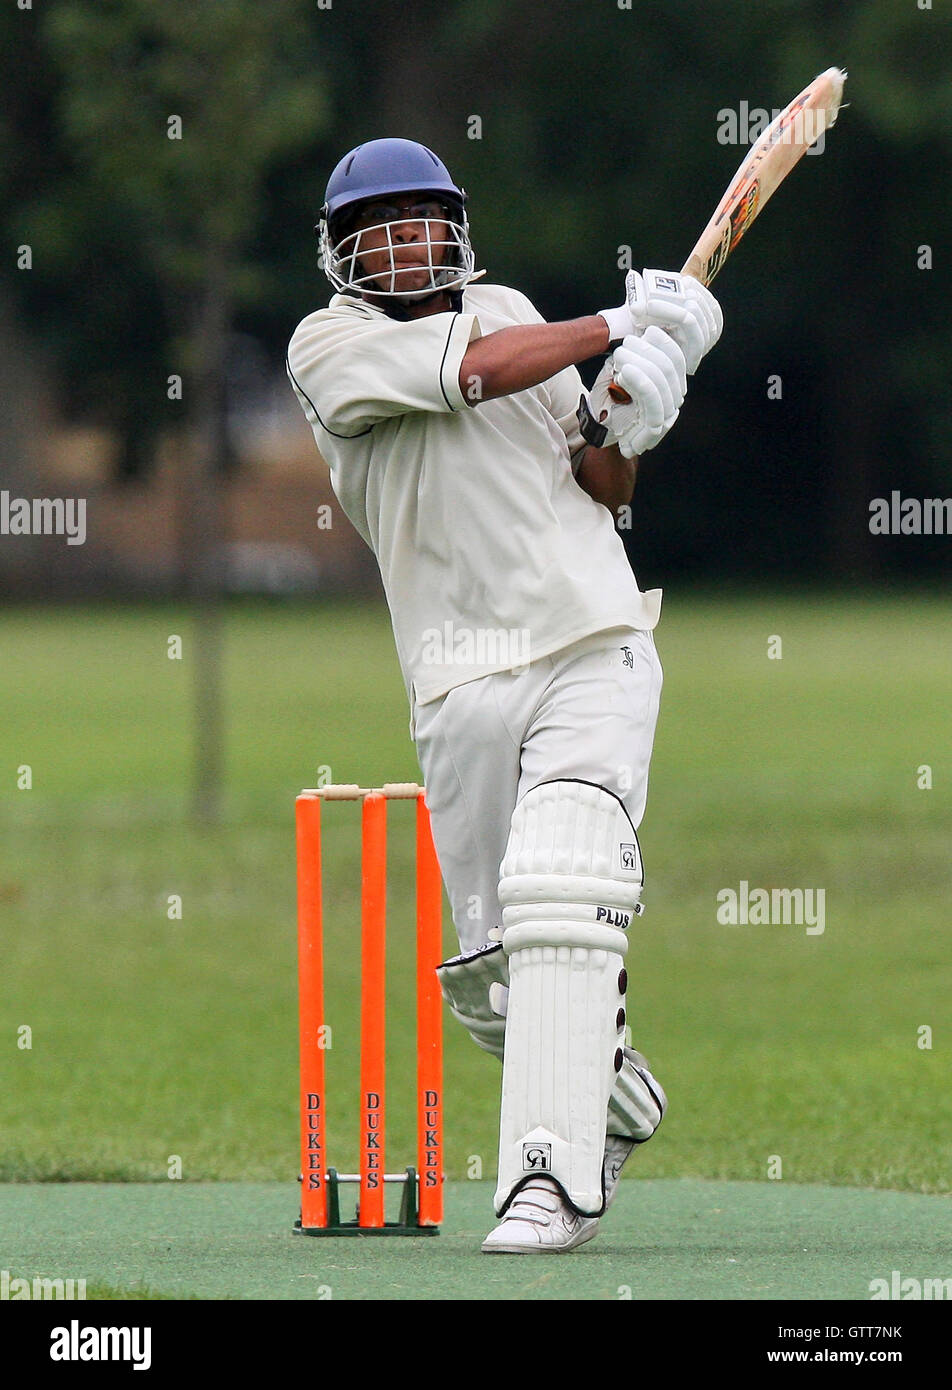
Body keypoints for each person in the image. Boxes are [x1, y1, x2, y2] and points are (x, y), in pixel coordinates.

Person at [288, 138, 722, 1253]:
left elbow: (595, 478)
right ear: (340, 251)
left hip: (590, 638)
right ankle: (614, 1098)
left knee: (560, 888)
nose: (404, 242)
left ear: (456, 227)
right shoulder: (328, 347)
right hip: (457, 683)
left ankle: (547, 1180)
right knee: (491, 984)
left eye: (421, 219)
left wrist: (629, 417)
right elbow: (479, 369)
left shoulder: (512, 307)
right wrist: (618, 327)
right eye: (376, 225)